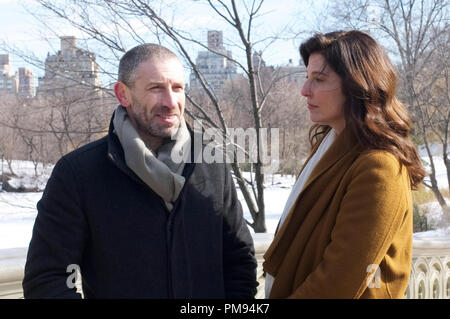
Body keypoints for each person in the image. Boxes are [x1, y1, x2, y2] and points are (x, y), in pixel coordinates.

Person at [22, 43, 258, 298]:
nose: (170, 102)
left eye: (178, 88)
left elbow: (239, 261)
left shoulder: (211, 163)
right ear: (123, 94)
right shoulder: (78, 173)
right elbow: (47, 277)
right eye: (156, 88)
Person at [263, 30, 426, 299]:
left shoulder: (379, 167)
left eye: (319, 79)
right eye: (307, 78)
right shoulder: (329, 145)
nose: (305, 91)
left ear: (356, 84)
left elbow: (338, 282)